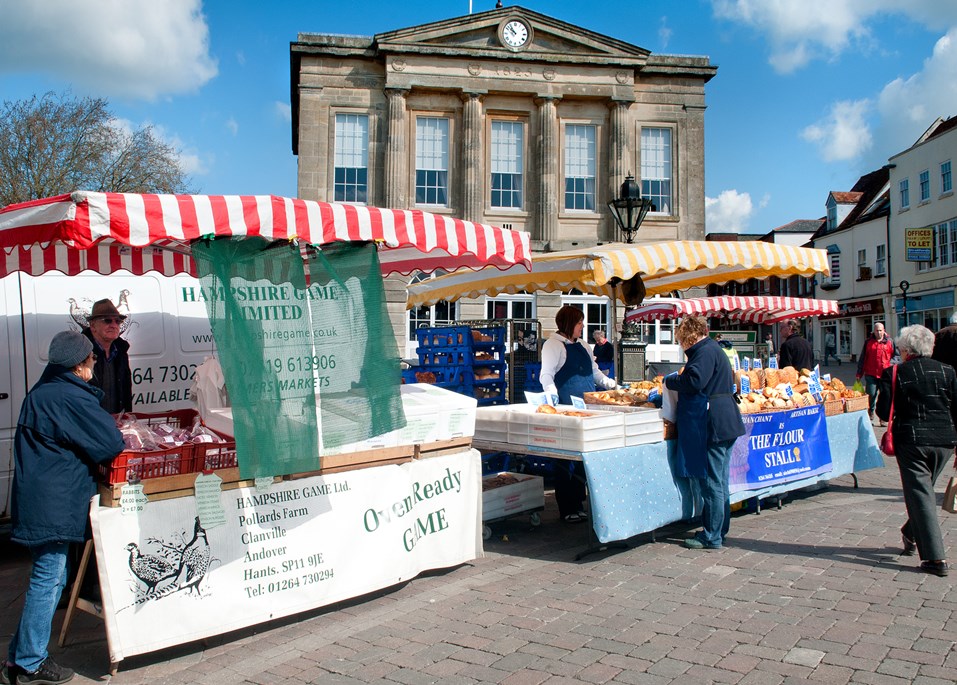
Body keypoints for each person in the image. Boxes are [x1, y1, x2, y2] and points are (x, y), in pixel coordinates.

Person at [4, 332, 125, 685]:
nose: (94, 363)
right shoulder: (68, 397)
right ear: (78, 364)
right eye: (90, 359)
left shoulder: (45, 391)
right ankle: (30, 663)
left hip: (42, 497)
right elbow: (109, 443)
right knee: (50, 579)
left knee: (50, 578)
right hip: (53, 501)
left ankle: (17, 658)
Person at [876, 324, 956, 577]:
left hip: (912, 440)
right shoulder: (948, 371)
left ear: (905, 349)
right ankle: (910, 532)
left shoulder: (895, 372)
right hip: (945, 441)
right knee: (923, 490)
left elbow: (882, 410)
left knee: (920, 493)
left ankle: (935, 557)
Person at [665, 316, 745, 549]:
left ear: (689, 336)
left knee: (712, 483)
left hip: (714, 423)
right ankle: (719, 529)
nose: (681, 346)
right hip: (725, 419)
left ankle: (712, 535)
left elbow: (695, 381)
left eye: (681, 341)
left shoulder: (704, 352)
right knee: (720, 481)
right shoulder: (712, 348)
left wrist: (672, 381)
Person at [540, 306, 617, 523]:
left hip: (586, 408)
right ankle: (567, 506)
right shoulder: (552, 345)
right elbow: (546, 375)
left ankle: (579, 502)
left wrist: (611, 384)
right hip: (565, 407)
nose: (583, 326)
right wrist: (551, 393)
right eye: (580, 322)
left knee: (584, 457)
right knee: (566, 459)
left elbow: (594, 372)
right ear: (568, 324)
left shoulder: (583, 345)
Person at [82, 298, 133, 414]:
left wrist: (127, 418)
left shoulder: (121, 351)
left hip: (117, 423)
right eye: (107, 321)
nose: (114, 325)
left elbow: (126, 390)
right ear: (93, 326)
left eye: (118, 321)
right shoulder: (82, 352)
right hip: (90, 423)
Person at [856, 322, 898, 425]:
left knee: (884, 396)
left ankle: (883, 418)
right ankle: (870, 413)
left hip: (885, 374)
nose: (878, 332)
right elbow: (863, 358)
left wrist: (890, 364)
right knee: (871, 394)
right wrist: (859, 373)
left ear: (884, 330)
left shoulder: (890, 342)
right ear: (873, 331)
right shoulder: (868, 342)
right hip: (871, 373)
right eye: (876, 330)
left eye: (880, 330)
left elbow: (897, 356)